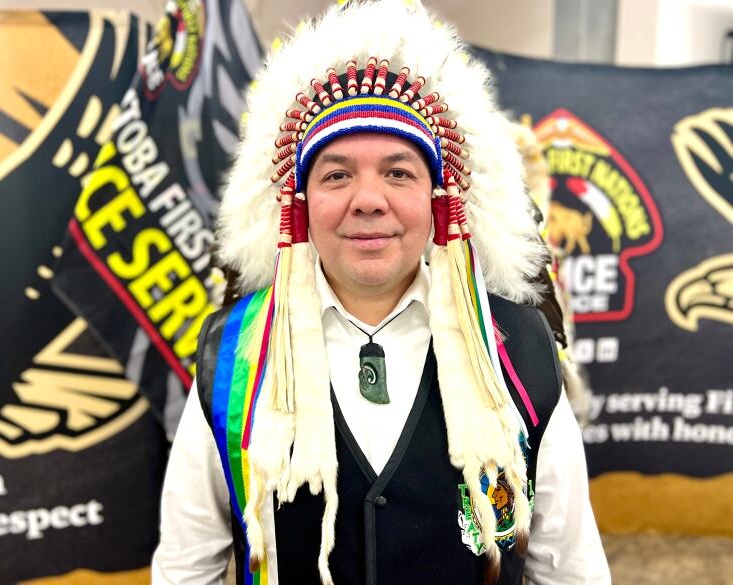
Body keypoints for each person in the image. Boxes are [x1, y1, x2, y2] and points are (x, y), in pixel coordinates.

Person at [152, 1, 610, 584]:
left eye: (399, 172)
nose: (368, 200)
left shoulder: (518, 353)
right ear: (300, 206)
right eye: (337, 174)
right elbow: (187, 568)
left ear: (439, 202)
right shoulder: (236, 359)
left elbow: (569, 568)